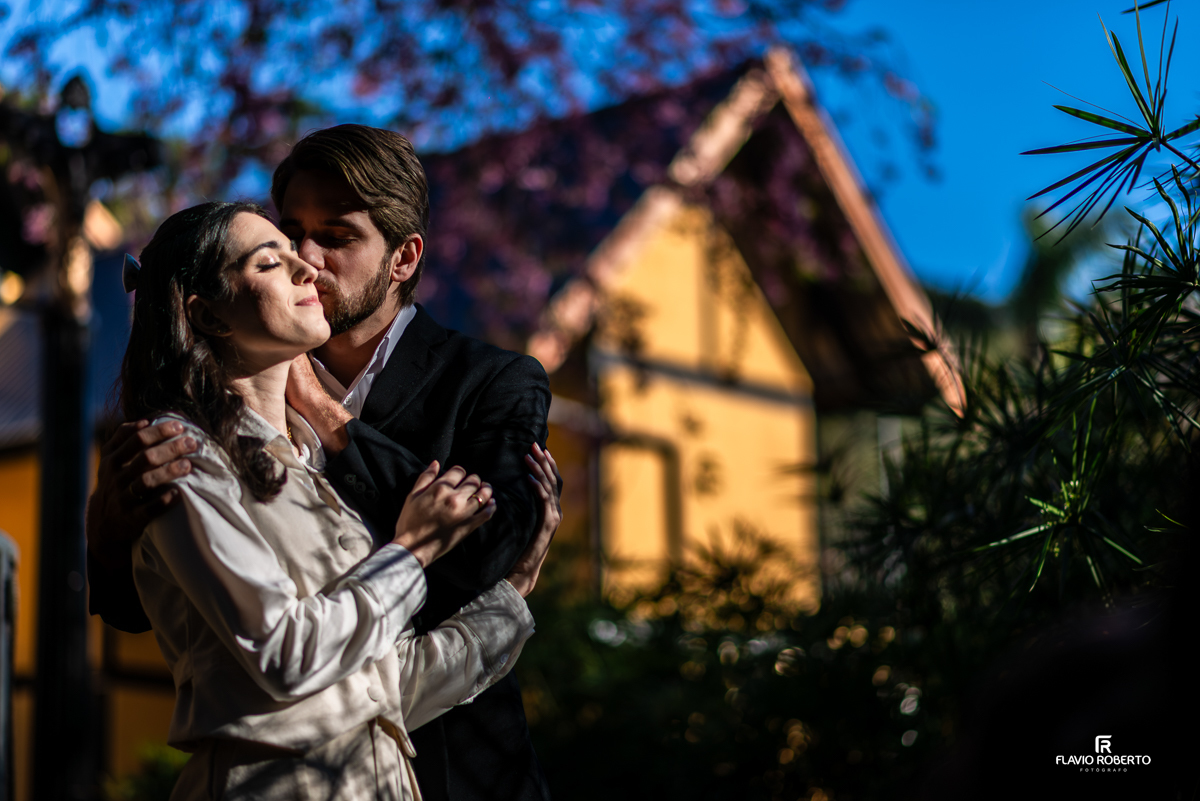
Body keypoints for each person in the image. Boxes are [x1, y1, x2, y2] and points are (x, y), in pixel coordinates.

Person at [88, 125, 556, 800]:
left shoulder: (490, 380)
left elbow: (490, 550)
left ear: (403, 258)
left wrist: (333, 422)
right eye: (288, 236)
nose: (308, 257)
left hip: (455, 771)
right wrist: (110, 525)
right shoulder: (201, 432)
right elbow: (158, 607)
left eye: (335, 236)